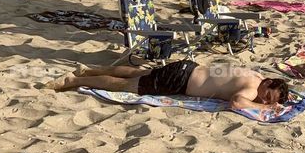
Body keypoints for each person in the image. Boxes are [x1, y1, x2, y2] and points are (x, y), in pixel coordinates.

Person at [49, 60, 289, 109]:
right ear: (267, 82)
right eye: (268, 95)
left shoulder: (252, 74)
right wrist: (265, 109)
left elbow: (220, 70)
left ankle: (90, 68)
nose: (265, 100)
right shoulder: (250, 88)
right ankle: (75, 80)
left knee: (138, 71)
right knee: (126, 85)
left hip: (188, 66)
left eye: (269, 100)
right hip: (180, 80)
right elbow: (237, 103)